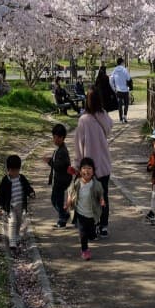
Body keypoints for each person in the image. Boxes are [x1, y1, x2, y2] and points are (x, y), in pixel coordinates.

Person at [73, 88, 113, 237]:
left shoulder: (83, 120)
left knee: (90, 198)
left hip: (89, 168)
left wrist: (77, 165)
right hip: (104, 164)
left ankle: (93, 225)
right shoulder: (103, 115)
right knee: (104, 196)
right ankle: (104, 226)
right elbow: (110, 127)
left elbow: (78, 145)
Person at [64, 156, 105, 261]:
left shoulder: (96, 184)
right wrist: (67, 203)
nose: (86, 171)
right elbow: (70, 193)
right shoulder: (76, 183)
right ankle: (85, 250)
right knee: (83, 233)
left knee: (91, 234)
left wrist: (102, 201)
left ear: (93, 171)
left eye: (89, 168)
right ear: (80, 170)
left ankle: (92, 232)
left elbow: (100, 194)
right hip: (80, 213)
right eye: (84, 168)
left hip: (92, 213)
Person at [0, 154, 35, 254]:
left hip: (20, 205)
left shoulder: (22, 178)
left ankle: (16, 235)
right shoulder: (6, 180)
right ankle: (12, 242)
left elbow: (27, 187)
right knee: (12, 222)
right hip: (10, 206)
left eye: (16, 171)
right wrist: (0, 205)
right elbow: (0, 193)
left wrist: (31, 193)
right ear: (8, 170)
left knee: (19, 222)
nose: (14, 173)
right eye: (12, 171)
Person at [44, 123, 72, 227]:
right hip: (57, 180)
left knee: (58, 201)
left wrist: (49, 162)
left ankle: (62, 218)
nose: (54, 140)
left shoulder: (63, 151)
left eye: (56, 137)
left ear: (62, 138)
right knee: (54, 200)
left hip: (61, 181)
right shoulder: (58, 149)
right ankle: (64, 215)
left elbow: (59, 166)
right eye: (53, 137)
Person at [109, 57, 132, 123]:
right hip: (125, 90)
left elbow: (110, 80)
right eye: (123, 62)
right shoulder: (125, 70)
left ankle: (121, 119)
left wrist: (114, 88)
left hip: (118, 90)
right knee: (126, 104)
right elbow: (128, 78)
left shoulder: (114, 70)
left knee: (119, 105)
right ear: (122, 62)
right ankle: (125, 116)